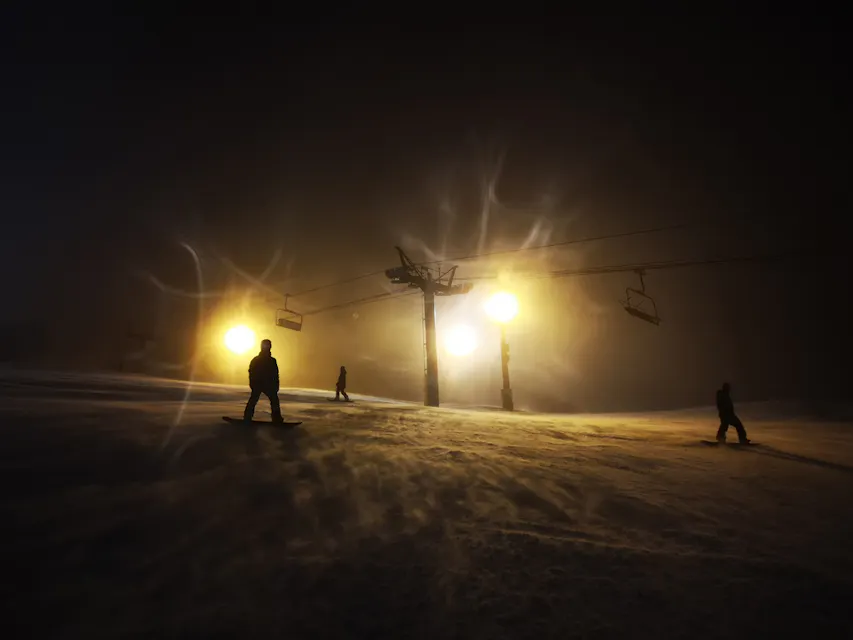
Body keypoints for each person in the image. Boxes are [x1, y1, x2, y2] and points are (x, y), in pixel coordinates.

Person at [243, 339, 283, 423]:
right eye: (265, 345)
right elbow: (251, 372)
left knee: (274, 401)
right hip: (258, 384)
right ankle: (247, 418)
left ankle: (277, 419)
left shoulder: (272, 361)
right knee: (253, 400)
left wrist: (276, 385)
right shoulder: (256, 360)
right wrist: (253, 383)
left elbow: (275, 374)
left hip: (269, 385)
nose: (266, 347)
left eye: (268, 345)